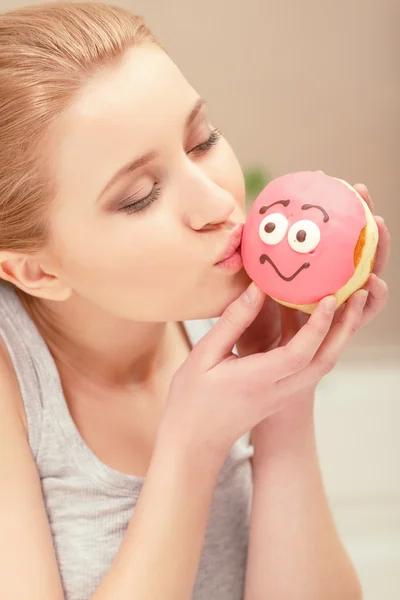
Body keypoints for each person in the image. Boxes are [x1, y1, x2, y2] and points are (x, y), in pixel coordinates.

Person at [0, 2, 390, 600]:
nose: (219, 206)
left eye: (202, 139)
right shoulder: (15, 377)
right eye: (139, 196)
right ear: (33, 269)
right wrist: (192, 445)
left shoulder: (215, 306)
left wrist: (285, 398)